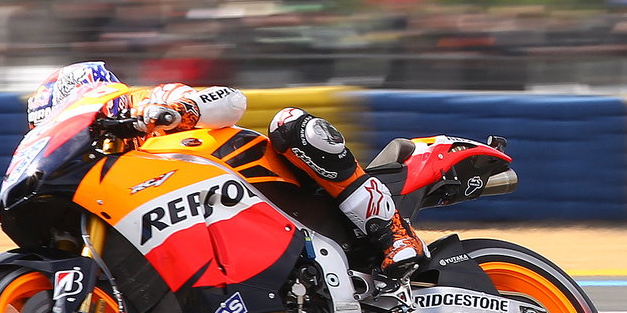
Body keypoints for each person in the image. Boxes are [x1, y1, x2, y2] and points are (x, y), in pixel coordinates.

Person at [27, 62, 427, 280]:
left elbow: (232, 101)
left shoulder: (147, 102)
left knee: (290, 124)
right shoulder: (111, 174)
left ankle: (393, 231)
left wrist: (179, 110)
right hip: (223, 232)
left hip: (271, 180)